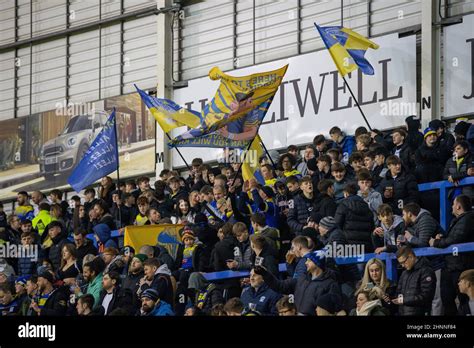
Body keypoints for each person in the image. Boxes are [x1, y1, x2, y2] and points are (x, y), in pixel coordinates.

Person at [254, 250, 342, 316]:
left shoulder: (330, 284)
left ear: (317, 263)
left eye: (309, 260)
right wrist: (265, 273)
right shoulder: (302, 279)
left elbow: (337, 308)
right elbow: (280, 286)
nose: (306, 263)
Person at [429, 195, 474, 315]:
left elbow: (456, 238)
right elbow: (452, 238)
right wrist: (443, 238)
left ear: (458, 206)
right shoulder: (459, 220)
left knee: (464, 298)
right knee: (446, 297)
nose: (452, 206)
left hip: (462, 266)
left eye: (453, 204)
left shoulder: (469, 218)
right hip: (451, 265)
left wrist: (436, 242)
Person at [393, 246, 436, 316]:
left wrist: (404, 300)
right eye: (400, 263)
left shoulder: (426, 271)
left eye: (403, 262)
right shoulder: (404, 273)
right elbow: (398, 293)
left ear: (411, 256)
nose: (403, 265)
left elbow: (426, 297)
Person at [334, 183, 374, 252]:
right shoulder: (366, 206)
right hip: (366, 246)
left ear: (346, 193)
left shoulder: (343, 205)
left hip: (349, 246)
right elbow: (372, 226)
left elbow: (337, 225)